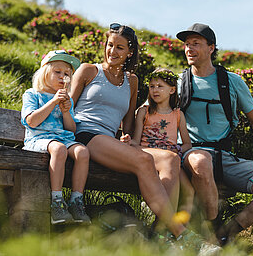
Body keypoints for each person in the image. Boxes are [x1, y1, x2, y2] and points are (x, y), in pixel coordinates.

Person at [70, 23, 220, 253]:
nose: (113, 51)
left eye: (120, 48)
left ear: (130, 52)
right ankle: (181, 234)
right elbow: (67, 108)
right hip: (85, 134)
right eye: (110, 45)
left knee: (169, 159)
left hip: (110, 141)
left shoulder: (132, 81)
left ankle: (159, 234)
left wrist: (127, 137)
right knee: (143, 161)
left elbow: (128, 122)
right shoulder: (89, 71)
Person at [175, 23, 253, 244]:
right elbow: (152, 112)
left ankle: (226, 233)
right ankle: (210, 232)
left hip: (225, 158)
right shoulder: (179, 82)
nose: (189, 49)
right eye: (186, 44)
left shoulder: (232, 82)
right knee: (201, 161)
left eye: (196, 44)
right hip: (191, 154)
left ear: (211, 48)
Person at [21, 50, 91, 225]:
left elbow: (71, 129)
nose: (62, 77)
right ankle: (57, 202)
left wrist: (66, 111)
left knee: (83, 152)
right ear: (45, 73)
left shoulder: (68, 100)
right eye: (57, 72)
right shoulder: (33, 94)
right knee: (59, 149)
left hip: (64, 139)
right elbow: (31, 121)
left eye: (67, 74)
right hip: (39, 138)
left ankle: (76, 201)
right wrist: (52, 102)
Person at [122, 68, 195, 216]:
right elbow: (137, 141)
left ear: (172, 90)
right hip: (149, 157)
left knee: (189, 191)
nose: (155, 90)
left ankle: (175, 227)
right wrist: (129, 141)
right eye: (152, 86)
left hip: (171, 159)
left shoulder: (178, 114)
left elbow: (188, 144)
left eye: (160, 86)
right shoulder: (144, 111)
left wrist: (178, 150)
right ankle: (162, 223)